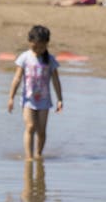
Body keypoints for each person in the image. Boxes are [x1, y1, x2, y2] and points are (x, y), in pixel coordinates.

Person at [6, 25, 64, 160]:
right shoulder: (24, 57)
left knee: (42, 131)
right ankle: (29, 157)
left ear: (46, 44)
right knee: (30, 126)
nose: (38, 50)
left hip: (44, 100)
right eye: (35, 47)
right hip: (28, 100)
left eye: (42, 47)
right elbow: (17, 78)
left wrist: (60, 99)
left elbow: (56, 80)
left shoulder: (50, 59)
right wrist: (11, 97)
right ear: (30, 42)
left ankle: (38, 153)